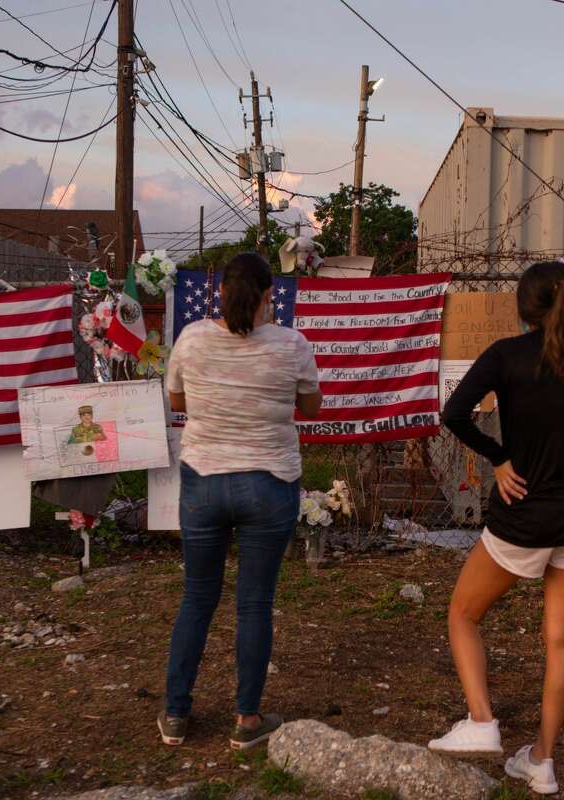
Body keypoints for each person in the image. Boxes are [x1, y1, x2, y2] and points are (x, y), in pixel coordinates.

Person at [431, 261, 564, 796]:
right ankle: (542, 759)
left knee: (464, 613)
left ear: (525, 306)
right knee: (560, 642)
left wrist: (499, 457)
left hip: (522, 519)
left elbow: (455, 413)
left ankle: (482, 721)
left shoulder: (506, 356)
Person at [158, 252, 323, 750]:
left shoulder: (191, 338)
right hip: (269, 483)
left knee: (197, 598)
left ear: (220, 292)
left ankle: (175, 714)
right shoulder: (292, 345)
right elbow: (311, 407)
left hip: (204, 482)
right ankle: (247, 720)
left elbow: (178, 401)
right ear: (269, 294)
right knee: (254, 603)